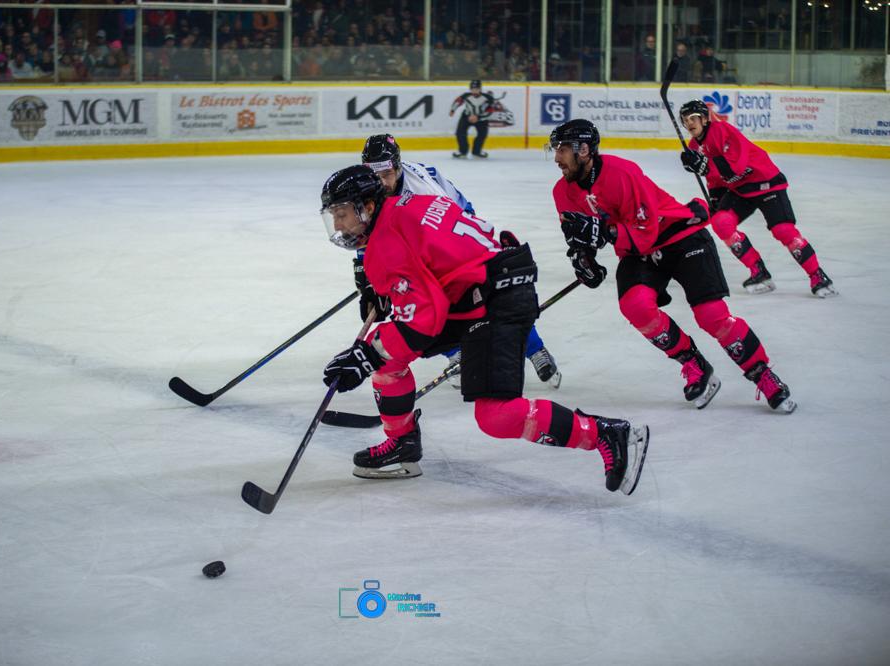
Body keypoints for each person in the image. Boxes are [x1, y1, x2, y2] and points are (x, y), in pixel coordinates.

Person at [319, 164, 649, 495]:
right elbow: (437, 263)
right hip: (483, 287)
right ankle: (402, 444)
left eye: (342, 214)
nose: (338, 225)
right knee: (386, 356)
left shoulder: (385, 244)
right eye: (334, 216)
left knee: (497, 415)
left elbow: (422, 321)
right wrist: (390, 294)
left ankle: (607, 433)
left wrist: (366, 356)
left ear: (368, 206)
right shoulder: (412, 202)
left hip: (496, 299)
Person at [549, 119, 796, 413]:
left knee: (711, 314)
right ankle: (693, 363)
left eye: (562, 149)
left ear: (584, 150)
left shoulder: (622, 172)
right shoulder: (561, 192)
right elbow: (578, 236)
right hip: (638, 250)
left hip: (680, 235)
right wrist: (584, 260)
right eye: (556, 150)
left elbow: (645, 229)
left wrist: (606, 232)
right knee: (636, 306)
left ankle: (762, 373)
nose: (557, 158)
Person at [360, 133, 562, 388]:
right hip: (426, 241)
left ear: (398, 167)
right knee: (425, 305)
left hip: (453, 240)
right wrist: (368, 278)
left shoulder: (421, 188)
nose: (380, 182)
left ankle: (535, 349)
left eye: (386, 173)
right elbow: (366, 231)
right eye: (373, 174)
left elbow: (450, 225)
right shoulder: (367, 188)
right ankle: (457, 352)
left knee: (487, 299)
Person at [678, 100, 836, 297]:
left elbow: (735, 167)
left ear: (704, 119)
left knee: (783, 230)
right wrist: (716, 199)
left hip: (766, 181)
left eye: (693, 118)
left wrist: (706, 166)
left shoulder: (721, 130)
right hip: (740, 190)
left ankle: (818, 276)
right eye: (685, 120)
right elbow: (714, 179)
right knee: (721, 223)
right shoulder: (695, 146)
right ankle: (759, 272)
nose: (689, 123)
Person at [449, 79, 494, 159]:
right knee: (460, 133)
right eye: (472, 89)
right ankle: (463, 151)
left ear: (480, 89)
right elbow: (457, 101)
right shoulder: (466, 96)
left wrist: (478, 117)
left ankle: (477, 151)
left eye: (476, 89)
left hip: (481, 119)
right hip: (467, 116)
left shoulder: (488, 98)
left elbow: (490, 111)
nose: (474, 91)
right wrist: (453, 110)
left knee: (482, 134)